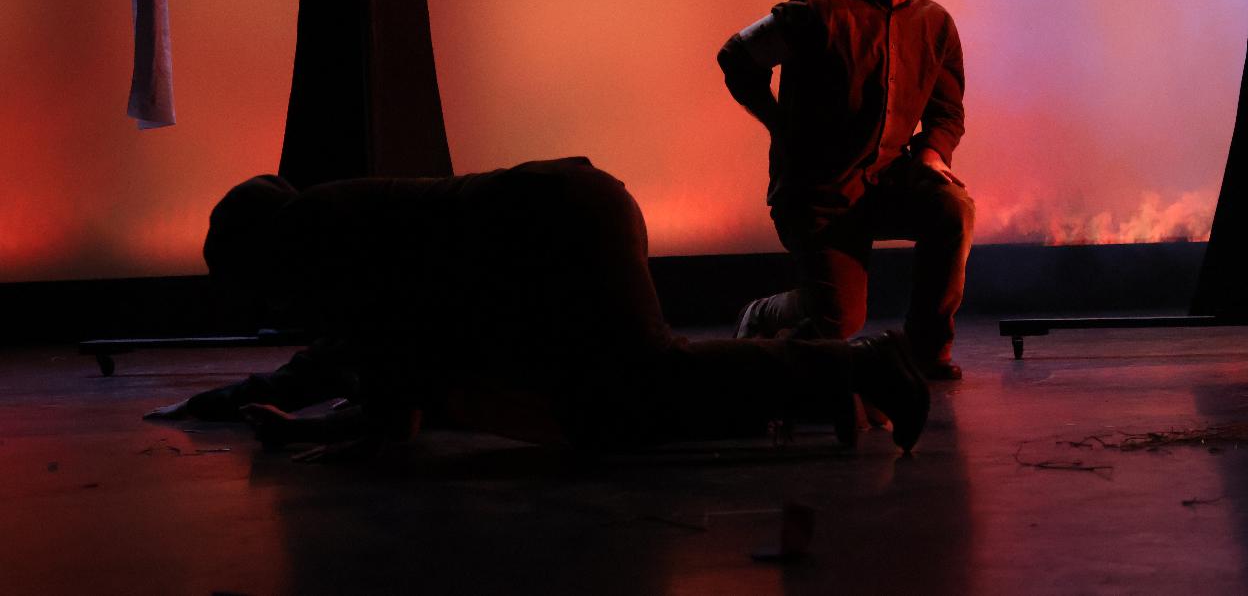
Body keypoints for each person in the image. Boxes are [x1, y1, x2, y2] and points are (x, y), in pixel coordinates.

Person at [150, 157, 930, 455]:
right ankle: (822, 389)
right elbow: (351, 359)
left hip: (559, 227)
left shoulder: (318, 238)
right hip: (568, 212)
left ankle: (855, 367)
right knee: (617, 402)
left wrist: (308, 432)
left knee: (648, 379)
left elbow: (383, 388)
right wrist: (239, 400)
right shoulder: (332, 218)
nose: (266, 303)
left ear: (260, 253)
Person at [717, 0, 974, 380]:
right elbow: (736, 56)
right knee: (839, 319)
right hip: (821, 192)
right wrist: (777, 123)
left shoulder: (935, 24)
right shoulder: (817, 12)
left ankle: (926, 352)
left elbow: (947, 110)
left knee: (952, 207)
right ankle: (764, 315)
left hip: (889, 181)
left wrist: (932, 153)